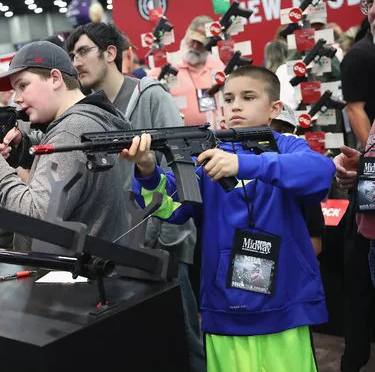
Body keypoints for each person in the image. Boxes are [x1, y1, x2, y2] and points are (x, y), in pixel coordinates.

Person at [122, 66, 335, 372]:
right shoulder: (210, 156)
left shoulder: (287, 146)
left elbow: (320, 173)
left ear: (274, 108)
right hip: (225, 307)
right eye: (229, 98)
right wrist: (146, 170)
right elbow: (170, 209)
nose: (235, 105)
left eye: (248, 97)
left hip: (285, 305)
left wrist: (244, 164)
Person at [66, 22, 205, 372]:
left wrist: (169, 240)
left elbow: (180, 164)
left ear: (110, 53)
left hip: (164, 240)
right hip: (120, 242)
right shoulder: (88, 110)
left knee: (185, 335)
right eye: (71, 55)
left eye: (82, 51)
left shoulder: (151, 95)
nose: (76, 61)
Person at [0, 41, 131, 250]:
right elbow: (64, 159)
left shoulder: (71, 130)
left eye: (23, 85)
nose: (17, 98)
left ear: (55, 79)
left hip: (73, 275)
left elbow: (34, 218)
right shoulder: (92, 119)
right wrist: (21, 148)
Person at [333, 0, 375, 372]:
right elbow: (359, 113)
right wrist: (364, 166)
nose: (373, 9)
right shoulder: (362, 56)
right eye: (369, 0)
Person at [270, 104, 324, 257]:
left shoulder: (303, 179)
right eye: (269, 130)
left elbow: (315, 244)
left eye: (282, 131)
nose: (276, 137)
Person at [172, 15, 226, 126]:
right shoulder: (170, 65)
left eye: (201, 43)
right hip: (183, 139)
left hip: (219, 137)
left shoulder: (219, 67)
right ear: (186, 35)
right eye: (193, 41)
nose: (195, 46)